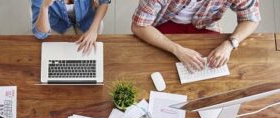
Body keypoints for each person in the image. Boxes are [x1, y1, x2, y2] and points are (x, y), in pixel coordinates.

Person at [131, 0, 260, 71]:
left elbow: (252, 18)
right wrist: (177, 49)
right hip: (166, 21)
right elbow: (138, 26)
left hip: (205, 24)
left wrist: (230, 43)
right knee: (157, 67)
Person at [31, 0, 111, 54]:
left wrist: (93, 29)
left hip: (88, 21)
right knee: (66, 54)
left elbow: (104, 2)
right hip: (58, 24)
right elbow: (40, 34)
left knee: (88, 53)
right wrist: (44, 7)